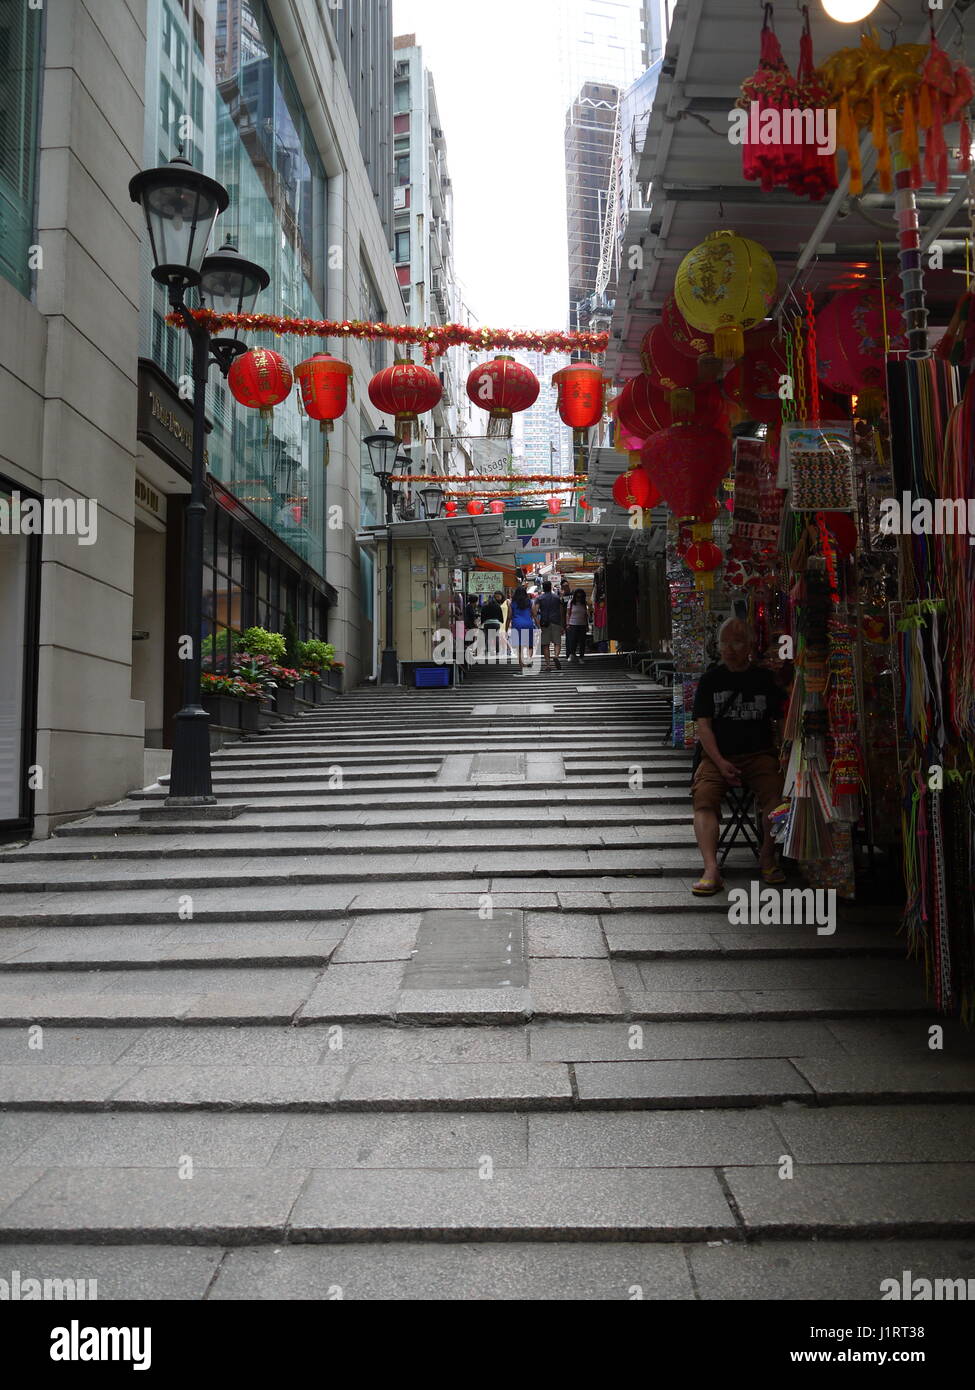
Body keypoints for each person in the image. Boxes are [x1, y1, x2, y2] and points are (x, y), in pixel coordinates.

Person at [689, 617, 786, 896]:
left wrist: (784, 753)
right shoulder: (710, 680)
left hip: (760, 755)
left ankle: (767, 856)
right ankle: (710, 868)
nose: (730, 648)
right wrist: (719, 762)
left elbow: (780, 720)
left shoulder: (764, 679)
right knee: (704, 800)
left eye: (737, 641)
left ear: (750, 646)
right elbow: (703, 726)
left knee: (776, 799)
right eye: (725, 642)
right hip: (718, 757)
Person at [533, 580, 563, 671]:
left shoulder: (539, 598)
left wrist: (538, 624)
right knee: (557, 642)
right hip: (556, 621)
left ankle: (548, 665)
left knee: (545, 644)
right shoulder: (557, 597)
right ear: (550, 587)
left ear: (543, 587)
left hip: (544, 623)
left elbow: (534, 612)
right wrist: (562, 624)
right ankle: (556, 656)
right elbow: (561, 611)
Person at [506, 584, 536, 671]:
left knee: (519, 646)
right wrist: (538, 626)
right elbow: (534, 614)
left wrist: (506, 628)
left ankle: (521, 664)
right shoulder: (529, 602)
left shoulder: (512, 603)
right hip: (528, 624)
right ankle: (529, 659)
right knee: (529, 644)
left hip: (517, 625)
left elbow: (509, 617)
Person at [564, 588, 591, 666]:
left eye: (580, 597)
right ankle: (572, 654)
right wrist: (567, 624)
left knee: (582, 642)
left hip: (582, 624)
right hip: (573, 624)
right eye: (577, 597)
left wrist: (587, 625)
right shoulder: (571, 603)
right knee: (572, 640)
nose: (578, 598)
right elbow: (568, 614)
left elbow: (586, 615)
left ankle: (581, 657)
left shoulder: (584, 603)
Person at [480, 591, 505, 661]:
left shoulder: (485, 606)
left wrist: (482, 622)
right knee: (496, 637)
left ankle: (487, 651)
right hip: (496, 623)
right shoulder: (497, 606)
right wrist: (501, 621)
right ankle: (497, 652)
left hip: (487, 624)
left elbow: (482, 615)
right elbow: (500, 615)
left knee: (487, 637)